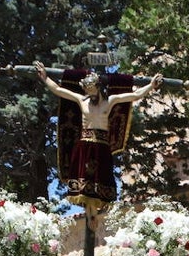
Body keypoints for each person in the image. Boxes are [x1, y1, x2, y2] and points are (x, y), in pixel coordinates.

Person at [34, 61, 162, 212]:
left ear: (99, 88)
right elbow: (59, 90)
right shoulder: (82, 100)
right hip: (84, 145)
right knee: (84, 182)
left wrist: (151, 86)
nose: (90, 94)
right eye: (87, 91)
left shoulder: (110, 102)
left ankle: (94, 214)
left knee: (101, 180)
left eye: (92, 90)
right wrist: (45, 78)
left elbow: (134, 95)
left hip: (102, 145)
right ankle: (89, 213)